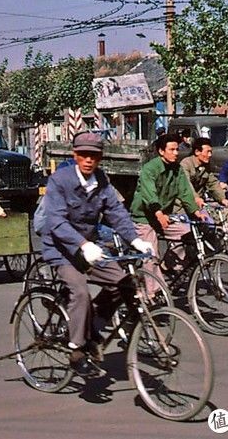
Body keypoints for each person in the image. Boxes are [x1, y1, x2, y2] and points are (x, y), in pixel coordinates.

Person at [42, 132, 152, 377]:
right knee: (80, 291)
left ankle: (92, 326)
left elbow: (115, 212)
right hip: (61, 249)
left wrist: (135, 239)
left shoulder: (101, 180)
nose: (88, 160)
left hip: (89, 247)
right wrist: (82, 244)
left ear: (100, 158)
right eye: (83, 155)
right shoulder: (60, 180)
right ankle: (77, 349)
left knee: (123, 283)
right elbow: (57, 221)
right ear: (75, 155)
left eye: (93, 156)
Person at [130, 133, 208, 294]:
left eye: (177, 149)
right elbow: (149, 194)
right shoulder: (150, 169)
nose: (176, 153)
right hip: (145, 217)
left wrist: (195, 211)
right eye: (171, 150)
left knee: (188, 233)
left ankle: (169, 265)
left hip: (164, 216)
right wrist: (158, 213)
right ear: (161, 151)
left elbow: (185, 192)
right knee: (150, 255)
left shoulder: (177, 169)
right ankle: (154, 294)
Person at [174, 137, 228, 217]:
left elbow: (212, 183)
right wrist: (196, 198)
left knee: (219, 214)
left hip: (199, 203)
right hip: (182, 205)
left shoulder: (206, 166)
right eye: (207, 152)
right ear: (197, 152)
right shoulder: (186, 164)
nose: (210, 155)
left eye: (211, 152)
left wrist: (222, 198)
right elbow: (187, 185)